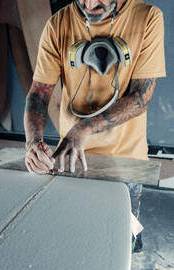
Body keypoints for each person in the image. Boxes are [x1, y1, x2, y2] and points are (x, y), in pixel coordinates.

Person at [23, 0, 166, 252]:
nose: (89, 4)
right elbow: (38, 94)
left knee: (121, 246)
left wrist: (83, 129)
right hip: (72, 161)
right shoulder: (57, 25)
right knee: (78, 242)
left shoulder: (148, 18)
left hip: (126, 163)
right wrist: (33, 142)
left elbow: (140, 98)